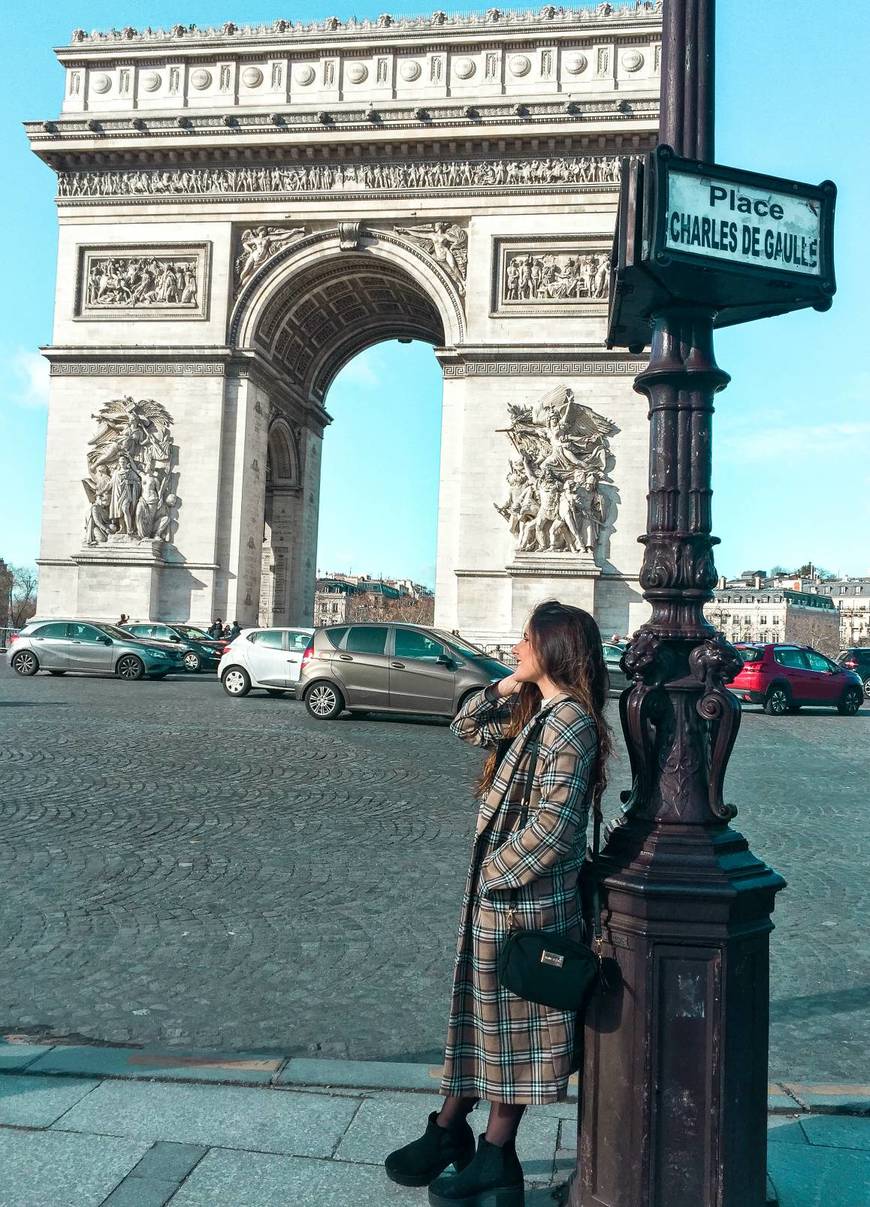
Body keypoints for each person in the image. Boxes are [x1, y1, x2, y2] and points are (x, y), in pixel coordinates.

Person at [385, 600, 612, 1206]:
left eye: (525, 641)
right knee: (490, 1029)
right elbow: (465, 727)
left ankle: (492, 1154)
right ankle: (459, 1137)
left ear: (553, 648)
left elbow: (557, 826)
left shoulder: (569, 724)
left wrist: (494, 875)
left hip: (525, 905)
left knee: (512, 1037)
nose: (515, 646)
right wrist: (513, 682)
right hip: (508, 903)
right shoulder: (540, 711)